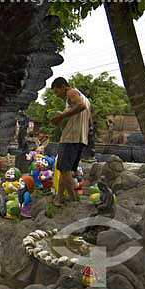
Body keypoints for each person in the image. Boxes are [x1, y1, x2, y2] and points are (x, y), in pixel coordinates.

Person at [51, 77, 91, 207]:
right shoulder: (84, 97)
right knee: (65, 170)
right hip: (81, 138)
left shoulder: (71, 93)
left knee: (64, 169)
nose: (57, 96)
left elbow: (80, 106)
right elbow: (86, 115)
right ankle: (59, 197)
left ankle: (73, 200)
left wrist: (61, 116)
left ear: (62, 86)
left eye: (57, 92)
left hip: (71, 138)